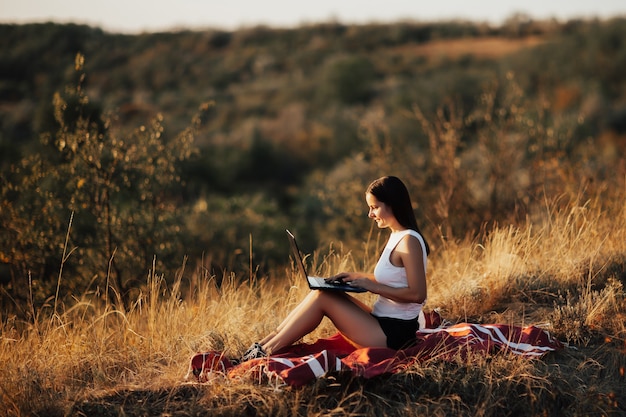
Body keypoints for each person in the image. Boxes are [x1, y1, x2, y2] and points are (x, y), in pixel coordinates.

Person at [242, 176, 430, 361]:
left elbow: (417, 294)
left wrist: (371, 286)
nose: (370, 214)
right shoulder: (397, 235)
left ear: (392, 204)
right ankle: (262, 346)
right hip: (382, 321)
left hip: (394, 335)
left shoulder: (409, 241)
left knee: (323, 298)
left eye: (374, 207)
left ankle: (265, 353)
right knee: (322, 292)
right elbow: (396, 279)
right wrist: (356, 277)